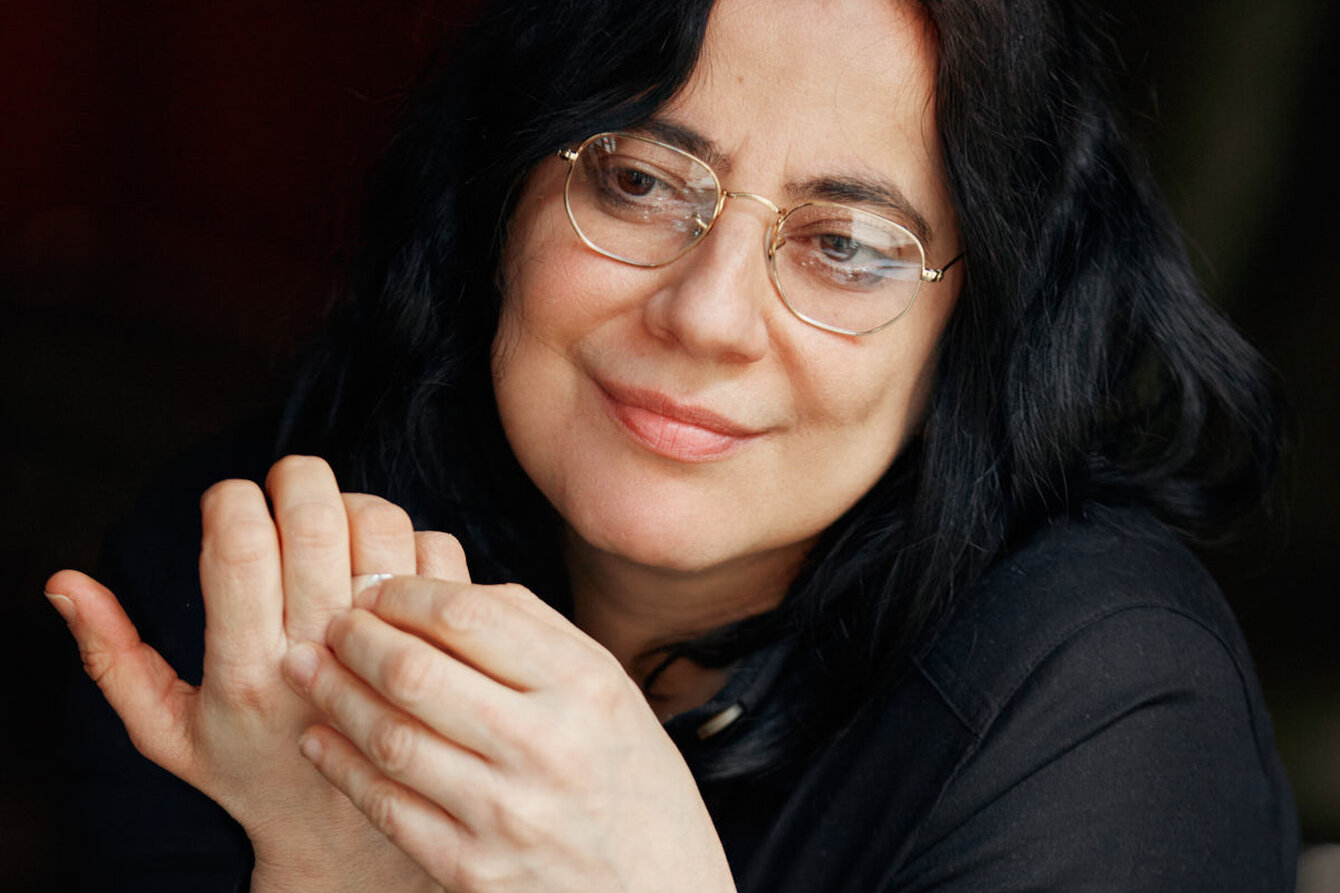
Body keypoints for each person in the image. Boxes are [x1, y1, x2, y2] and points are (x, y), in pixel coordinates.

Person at [46, 0, 1298, 889]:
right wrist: (333, 874)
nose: (703, 315)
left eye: (846, 245)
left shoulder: (1103, 714)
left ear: (974, 324)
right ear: (503, 195)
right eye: (639, 182)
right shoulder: (254, 574)